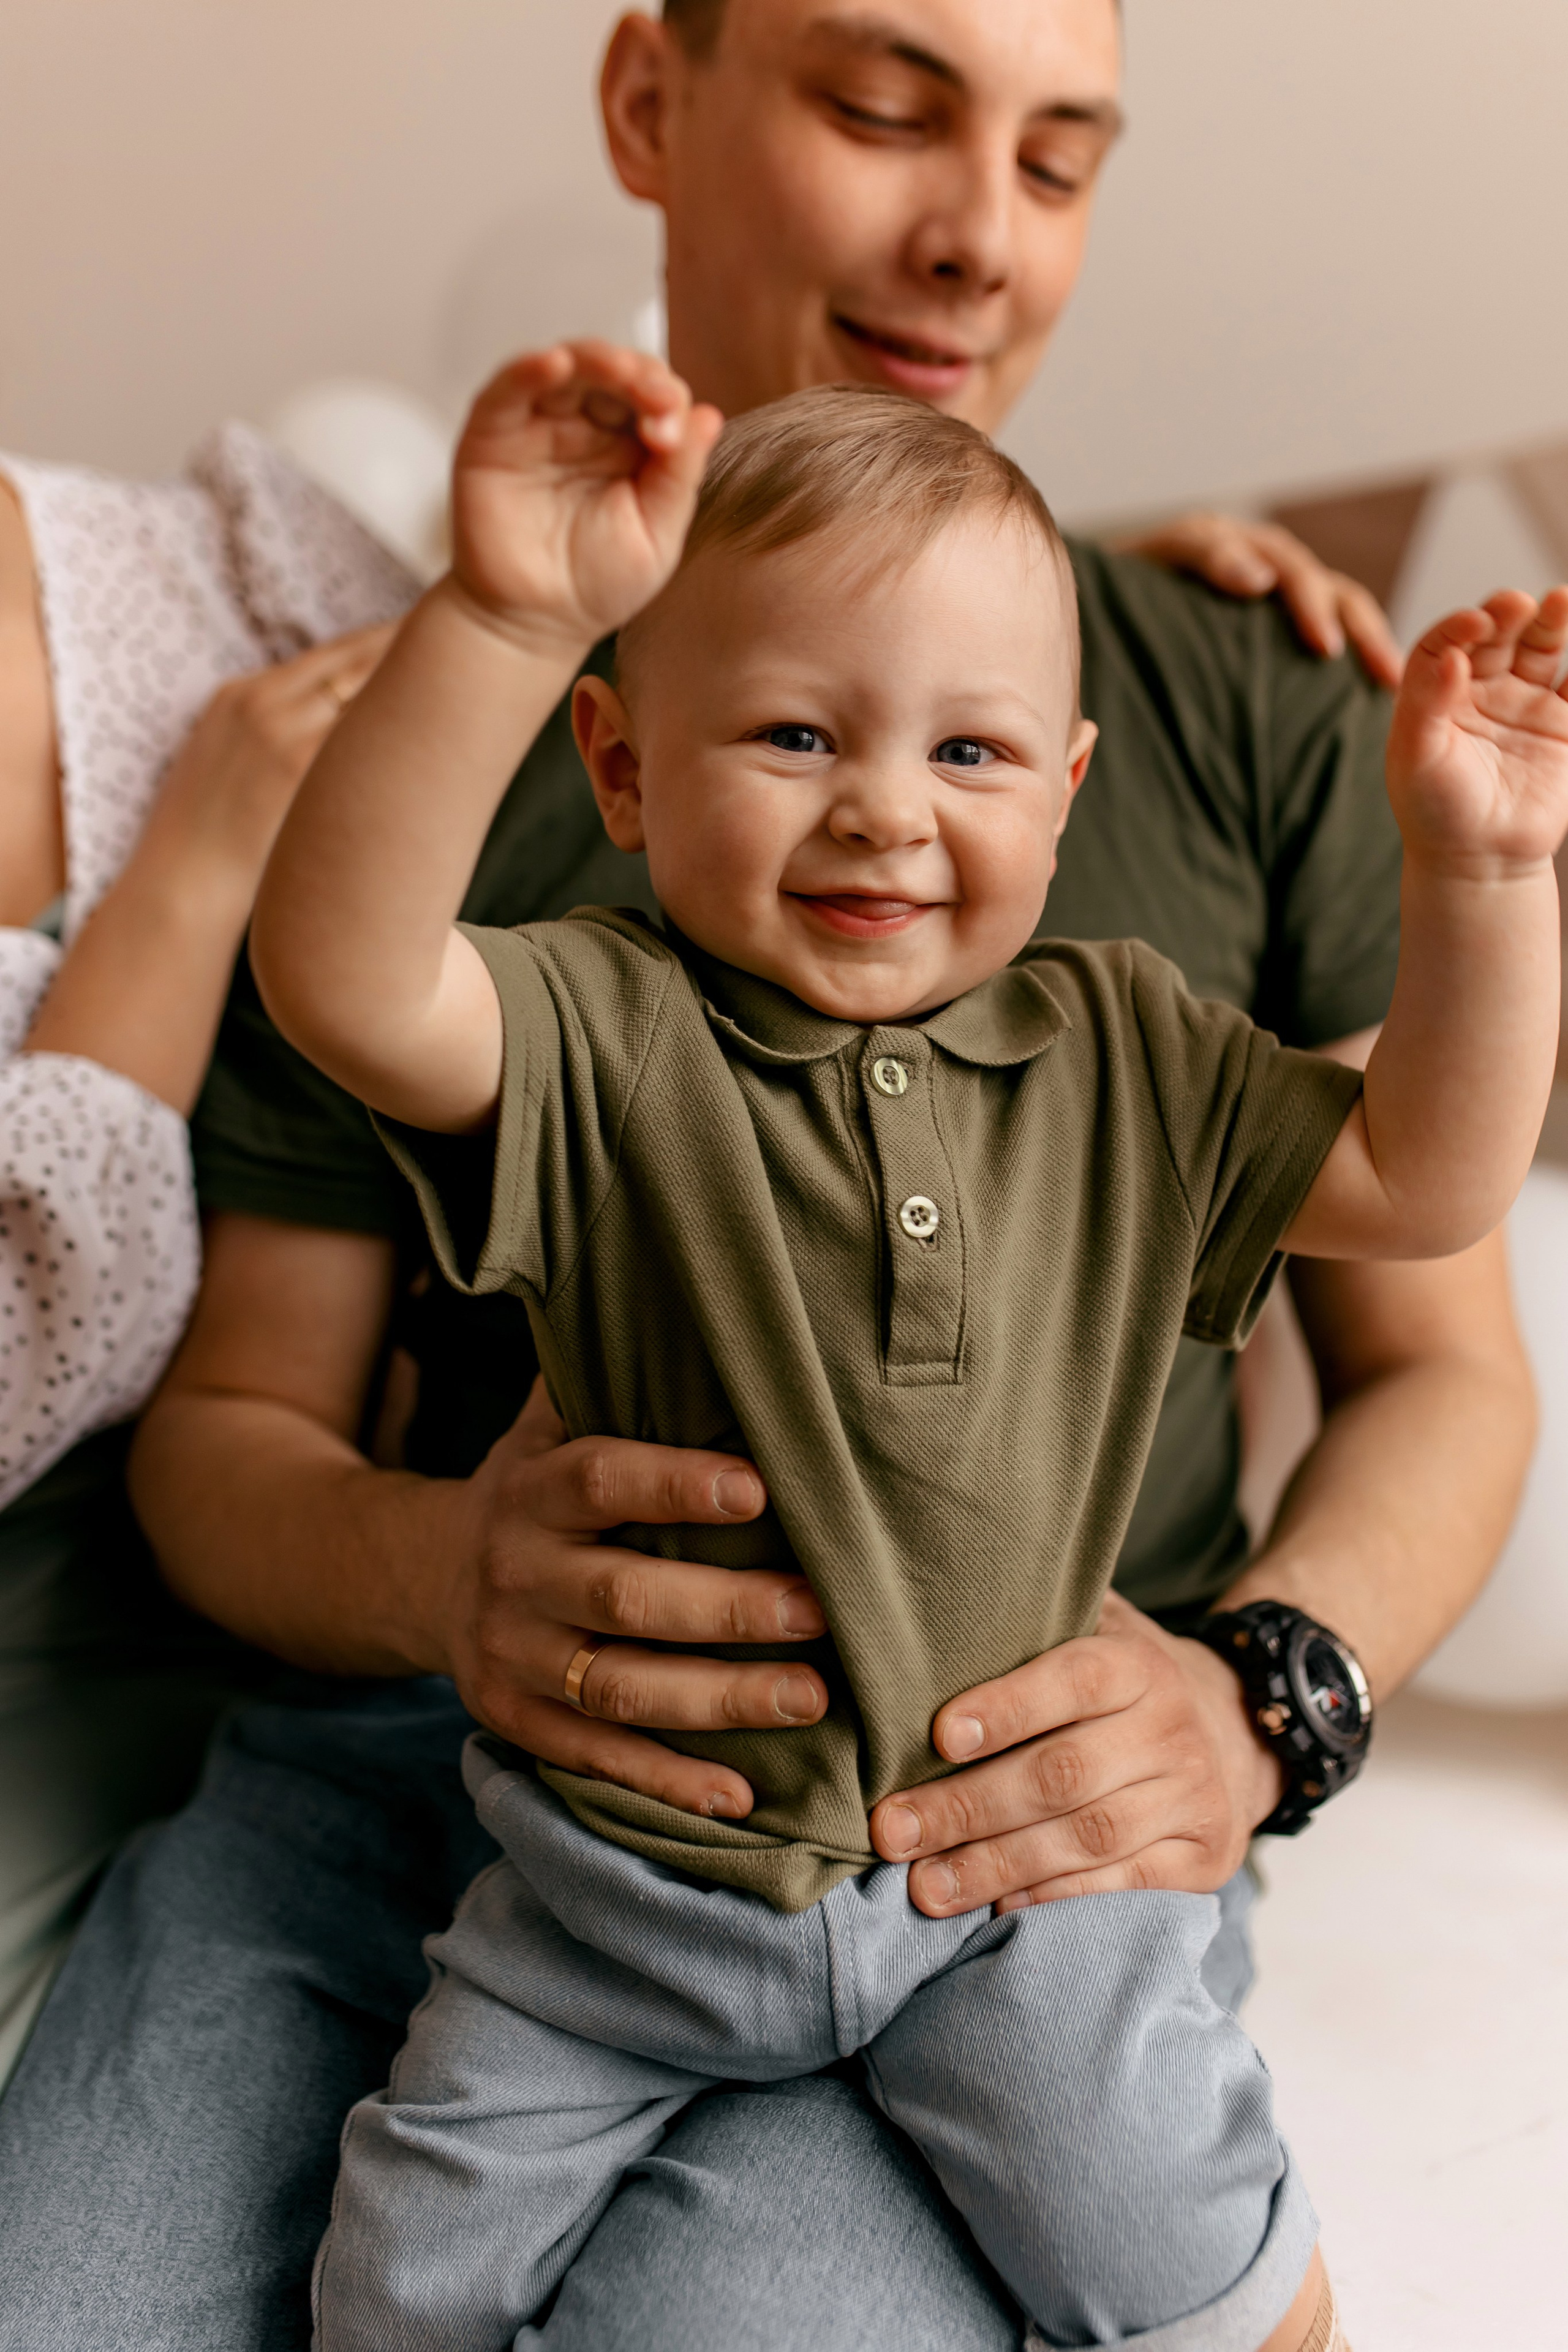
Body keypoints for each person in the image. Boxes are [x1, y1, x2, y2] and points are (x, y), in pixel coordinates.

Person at [0, 5, 1534, 2348]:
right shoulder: (465, 747)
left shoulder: (1244, 702)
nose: (973, 236)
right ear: (650, 104)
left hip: (966, 1819)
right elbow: (232, 1435)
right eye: (882, 104)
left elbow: (1439, 1282)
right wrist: (451, 1579)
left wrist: (1259, 1701)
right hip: (442, 1763)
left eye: (1057, 157)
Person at [252, 354, 1566, 2352]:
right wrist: (504, 613)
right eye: (792, 732)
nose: (883, 807)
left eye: (970, 753)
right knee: (393, 2277)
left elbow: (1426, 1174)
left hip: (1013, 1891)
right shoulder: (605, 1030)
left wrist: (1481, 880)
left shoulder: (1134, 1049)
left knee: (1202, 2259)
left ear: (1066, 791)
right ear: (620, 769)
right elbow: (343, 974)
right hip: (626, 1896)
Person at [0, 431, 398, 2080]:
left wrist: (1085, 620)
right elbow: (48, 1305)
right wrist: (196, 870)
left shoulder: (201, 559)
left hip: (258, 1625)